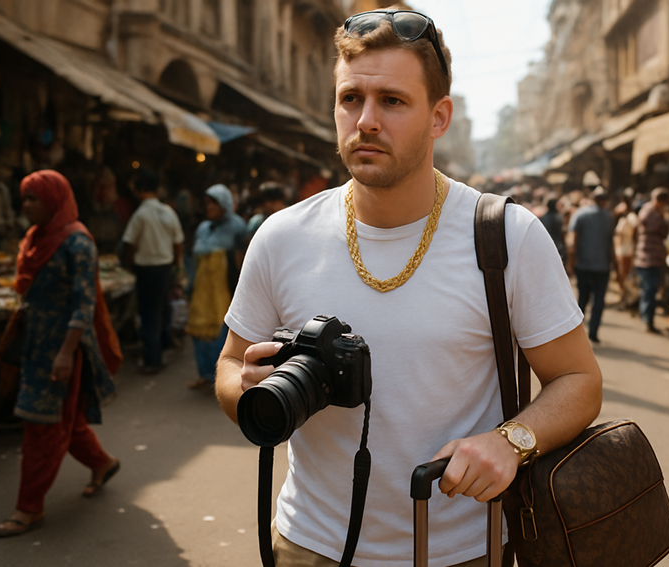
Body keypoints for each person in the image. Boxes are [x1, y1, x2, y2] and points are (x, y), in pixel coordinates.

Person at [214, 8, 602, 567]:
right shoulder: (280, 236)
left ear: (439, 116)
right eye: (351, 99)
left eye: (392, 101)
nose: (366, 120)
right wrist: (247, 386)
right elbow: (228, 368)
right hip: (309, 546)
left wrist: (510, 442)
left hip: (461, 549)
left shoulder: (506, 235)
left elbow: (579, 380)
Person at [0, 170, 123, 538]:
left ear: (52, 199)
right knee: (61, 417)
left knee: (42, 425)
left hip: (62, 351)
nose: (26, 206)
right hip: (36, 345)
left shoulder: (77, 243)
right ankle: (103, 463)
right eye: (24, 198)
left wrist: (66, 354)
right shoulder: (36, 238)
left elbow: (83, 305)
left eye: (32, 198)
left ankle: (28, 507)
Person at [121, 170, 184, 374]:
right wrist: (176, 263)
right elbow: (178, 242)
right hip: (165, 267)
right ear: (158, 189)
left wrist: (130, 263)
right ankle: (164, 343)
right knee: (161, 306)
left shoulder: (140, 215)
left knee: (149, 313)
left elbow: (129, 243)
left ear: (138, 191)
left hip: (147, 269)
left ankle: (152, 360)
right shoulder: (167, 211)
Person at [185, 184, 248, 390]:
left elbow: (243, 260)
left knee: (221, 332)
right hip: (202, 287)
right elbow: (195, 260)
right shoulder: (203, 228)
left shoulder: (238, 226)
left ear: (224, 204)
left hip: (223, 288)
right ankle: (204, 374)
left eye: (214, 202)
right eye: (207, 203)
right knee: (199, 330)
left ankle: (221, 377)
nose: (209, 207)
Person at [567, 186, 615, 343]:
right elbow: (611, 244)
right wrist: (615, 265)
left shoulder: (580, 214)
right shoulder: (608, 217)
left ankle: (576, 333)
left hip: (584, 265)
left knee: (582, 299)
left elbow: (573, 240)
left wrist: (571, 261)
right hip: (602, 266)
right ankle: (593, 332)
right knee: (598, 301)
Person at [634, 187, 669, 333]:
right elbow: (661, 229)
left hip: (653, 257)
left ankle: (647, 317)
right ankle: (647, 319)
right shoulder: (649, 212)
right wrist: (662, 218)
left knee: (650, 289)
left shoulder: (653, 212)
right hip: (647, 257)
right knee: (649, 289)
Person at [612, 187, 638, 296]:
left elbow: (635, 231)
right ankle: (623, 292)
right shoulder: (619, 211)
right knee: (620, 271)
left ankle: (625, 293)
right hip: (619, 246)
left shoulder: (632, 217)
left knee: (625, 272)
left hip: (627, 247)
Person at [539, 193, 566, 264]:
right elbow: (562, 232)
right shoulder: (559, 217)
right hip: (558, 244)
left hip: (547, 245)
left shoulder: (543, 218)